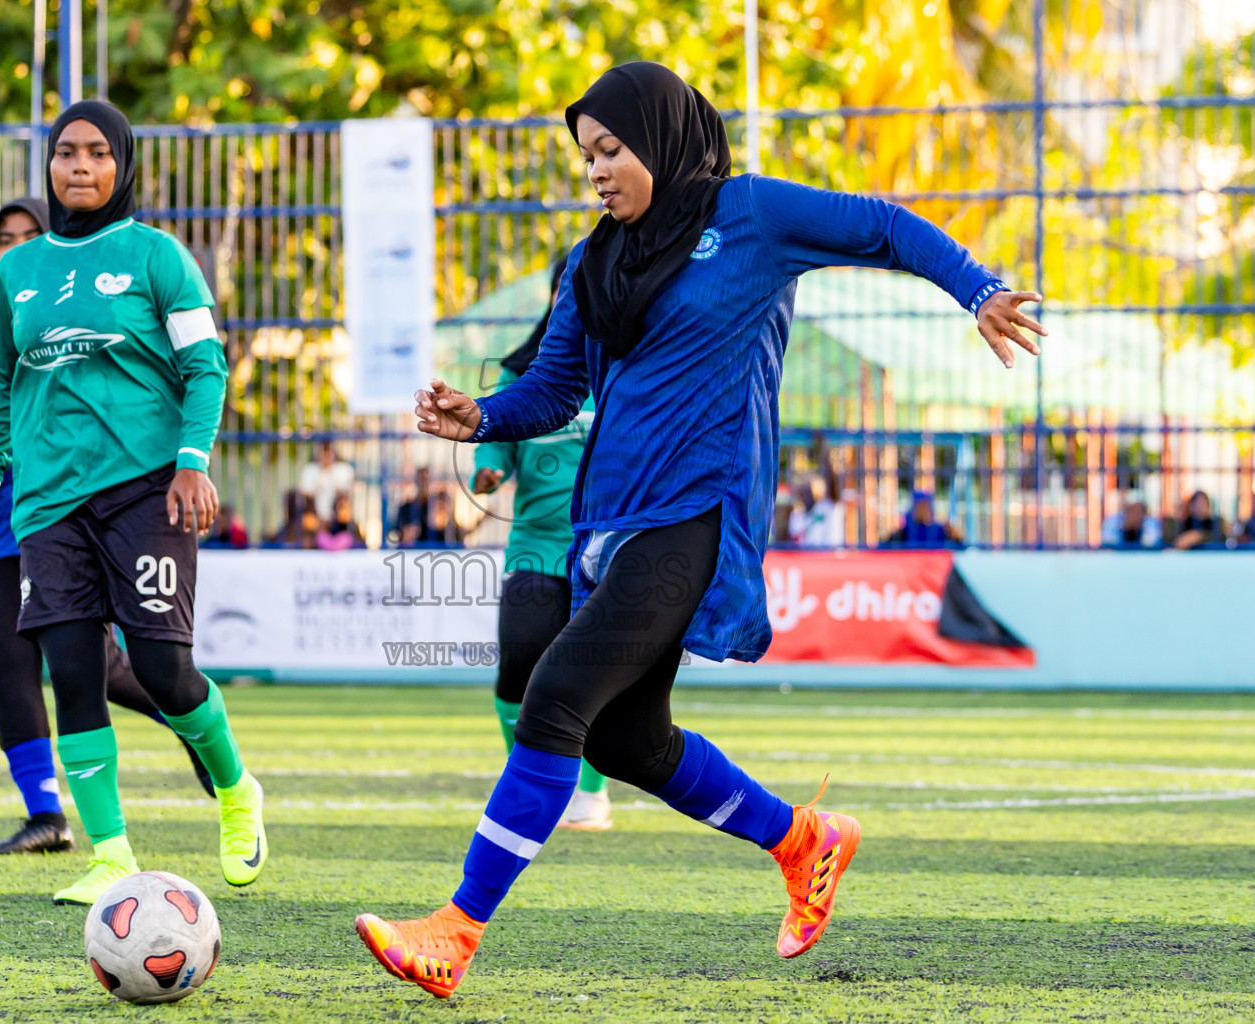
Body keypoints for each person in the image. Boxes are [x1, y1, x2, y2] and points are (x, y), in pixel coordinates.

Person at [354, 62, 1045, 997]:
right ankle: (803, 841)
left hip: (697, 514)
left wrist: (977, 290)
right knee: (624, 743)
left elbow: (880, 227)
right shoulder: (599, 261)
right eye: (586, 154)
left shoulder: (751, 215)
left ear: (664, 137)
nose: (596, 169)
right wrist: (479, 417)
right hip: (608, 524)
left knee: (556, 693)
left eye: (611, 149)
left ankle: (456, 931)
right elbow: (557, 388)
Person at [0, 100, 267, 905]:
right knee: (72, 673)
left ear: (122, 165)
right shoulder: (18, 274)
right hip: (49, 505)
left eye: (98, 153)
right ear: (49, 165)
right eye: (67, 153)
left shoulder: (157, 257)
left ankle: (235, 788)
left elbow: (206, 367)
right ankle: (111, 856)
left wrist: (192, 463)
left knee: (165, 672)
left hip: (145, 491)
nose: (81, 167)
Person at [0, 195, 215, 858]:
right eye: (4, 240)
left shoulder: (69, 310)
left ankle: (190, 723)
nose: (16, 248)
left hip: (55, 505)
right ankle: (45, 813)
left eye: (28, 236)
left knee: (97, 666)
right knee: (5, 660)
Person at [471, 258, 611, 831]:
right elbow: (492, 439)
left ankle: (593, 792)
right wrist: (487, 471)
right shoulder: (520, 374)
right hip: (534, 545)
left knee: (598, 674)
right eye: (564, 289)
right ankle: (527, 784)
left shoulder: (622, 368)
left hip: (604, 551)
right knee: (519, 666)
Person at [299, 440, 355, 530]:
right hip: (314, 514)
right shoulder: (310, 470)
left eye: (328, 454)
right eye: (323, 454)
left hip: (337, 518)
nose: (325, 457)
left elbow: (346, 491)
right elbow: (305, 491)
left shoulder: (343, 470)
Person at [884, 491, 963, 548]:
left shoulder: (940, 529)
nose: (922, 511)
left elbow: (960, 547)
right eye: (919, 507)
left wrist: (954, 536)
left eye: (925, 507)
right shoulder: (906, 530)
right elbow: (886, 547)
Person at [393, 466, 433, 547]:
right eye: (421, 479)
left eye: (426, 479)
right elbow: (395, 531)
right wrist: (404, 534)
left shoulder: (436, 507)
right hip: (410, 554)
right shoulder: (405, 507)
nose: (424, 482)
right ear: (416, 481)